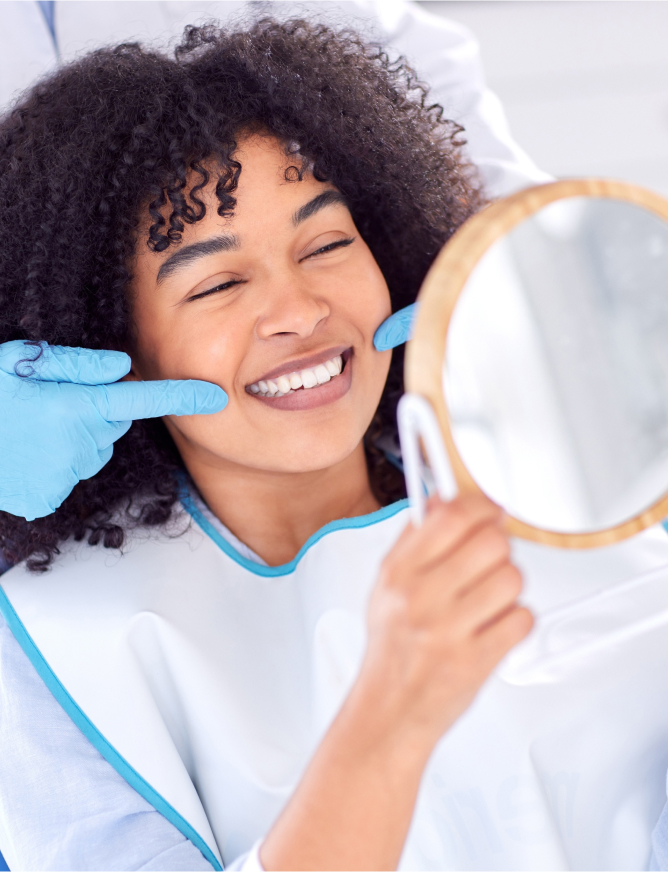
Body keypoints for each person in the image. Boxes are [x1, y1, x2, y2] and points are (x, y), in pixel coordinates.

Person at [0, 0, 552, 537]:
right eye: (219, 283)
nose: (301, 312)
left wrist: (518, 271)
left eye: (326, 246)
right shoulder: (79, 626)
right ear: (117, 354)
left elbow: (480, 179)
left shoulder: (550, 499)